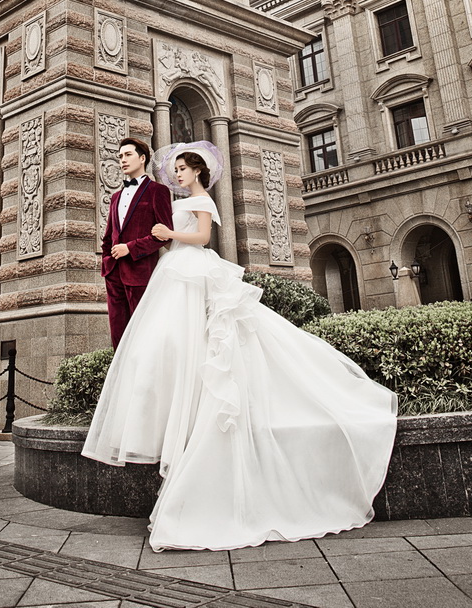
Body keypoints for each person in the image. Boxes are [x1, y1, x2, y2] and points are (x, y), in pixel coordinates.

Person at [83, 140, 397, 552]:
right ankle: (178, 409)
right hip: (170, 271)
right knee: (167, 343)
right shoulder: (171, 200)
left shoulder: (202, 201)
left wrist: (167, 233)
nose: (177, 174)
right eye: (175, 169)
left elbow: (201, 237)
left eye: (183, 168)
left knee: (208, 337)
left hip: (191, 268)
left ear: (197, 171)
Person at [100, 137, 174, 349]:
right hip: (114, 274)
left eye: (128, 155)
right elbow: (109, 235)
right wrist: (106, 262)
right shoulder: (116, 197)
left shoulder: (157, 191)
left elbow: (164, 235)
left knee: (143, 334)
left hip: (140, 272)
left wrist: (129, 248)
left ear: (142, 158)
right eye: (120, 156)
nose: (122, 160)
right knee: (119, 339)